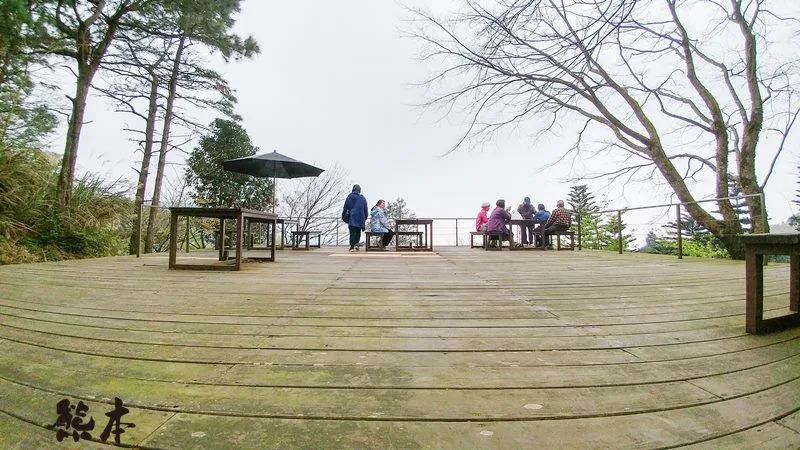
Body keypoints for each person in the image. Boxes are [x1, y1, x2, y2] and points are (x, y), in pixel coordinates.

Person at [342, 184, 368, 252]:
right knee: (358, 232)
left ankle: (352, 246)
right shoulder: (362, 198)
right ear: (359, 190)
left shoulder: (349, 197)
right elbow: (365, 209)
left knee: (352, 232)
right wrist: (364, 218)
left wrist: (344, 216)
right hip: (360, 218)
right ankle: (356, 245)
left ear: (353, 189)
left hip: (352, 217)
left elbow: (345, 208)